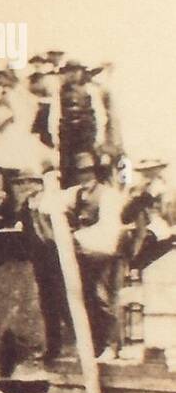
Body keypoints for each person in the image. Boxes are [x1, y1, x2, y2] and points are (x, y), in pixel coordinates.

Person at [69, 151, 126, 360]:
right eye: (80, 172)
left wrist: (79, 236)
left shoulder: (108, 195)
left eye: (88, 171)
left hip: (107, 254)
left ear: (96, 172)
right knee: (89, 299)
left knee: (107, 299)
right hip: (86, 254)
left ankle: (112, 346)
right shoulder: (76, 194)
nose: (84, 176)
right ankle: (96, 345)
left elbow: (109, 229)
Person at [58, 60, 98, 186]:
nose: (72, 75)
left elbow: (99, 115)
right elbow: (55, 115)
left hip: (87, 138)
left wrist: (97, 140)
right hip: (67, 139)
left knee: (89, 168)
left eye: (76, 71)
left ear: (81, 72)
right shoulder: (60, 92)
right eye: (69, 71)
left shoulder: (90, 91)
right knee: (68, 171)